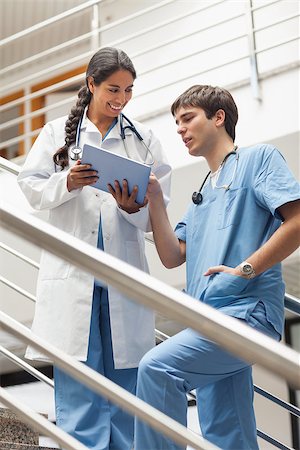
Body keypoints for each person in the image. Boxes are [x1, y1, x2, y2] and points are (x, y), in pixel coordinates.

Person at [17, 47, 171, 450]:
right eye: (112, 89)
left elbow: (159, 208)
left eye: (128, 90)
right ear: (91, 85)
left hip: (121, 278)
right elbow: (30, 187)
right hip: (73, 280)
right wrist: (68, 182)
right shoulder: (55, 133)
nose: (121, 98)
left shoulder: (145, 140)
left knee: (125, 394)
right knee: (80, 392)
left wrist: (131, 207)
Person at [134, 84, 300, 450]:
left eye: (188, 118)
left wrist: (246, 269)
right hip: (209, 322)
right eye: (177, 123)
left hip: (245, 315)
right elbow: (173, 255)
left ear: (219, 117)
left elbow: (297, 220)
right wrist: (156, 201)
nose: (180, 129)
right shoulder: (203, 193)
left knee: (157, 369)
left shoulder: (259, 159)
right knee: (228, 434)